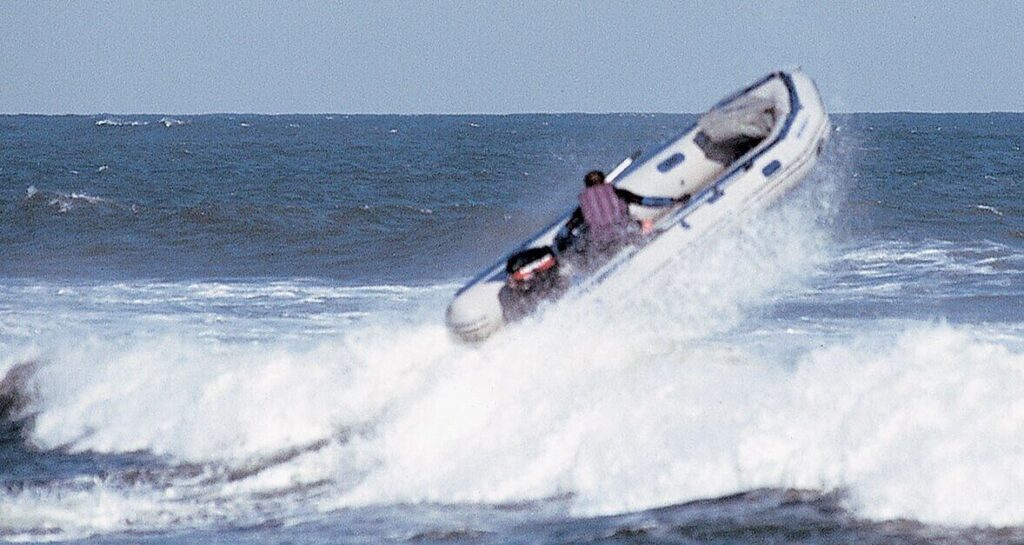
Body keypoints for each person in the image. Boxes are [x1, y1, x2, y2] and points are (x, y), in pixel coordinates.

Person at [555, 170, 688, 257]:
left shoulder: (583, 208)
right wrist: (675, 201)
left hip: (604, 247)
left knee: (587, 234)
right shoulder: (618, 193)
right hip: (627, 236)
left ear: (586, 187)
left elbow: (565, 231)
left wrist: (559, 247)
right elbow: (648, 201)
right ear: (604, 181)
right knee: (640, 223)